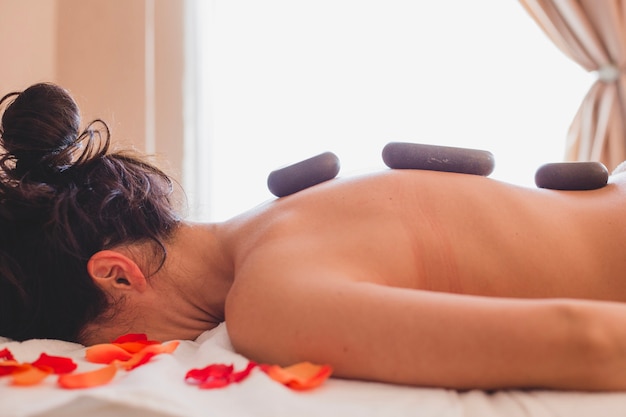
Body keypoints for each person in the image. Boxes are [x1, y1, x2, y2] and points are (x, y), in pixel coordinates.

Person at [2, 82, 626, 392]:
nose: (138, 351)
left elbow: (591, 342)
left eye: (98, 341)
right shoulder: (279, 213)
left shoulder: (269, 301)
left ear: (115, 273)